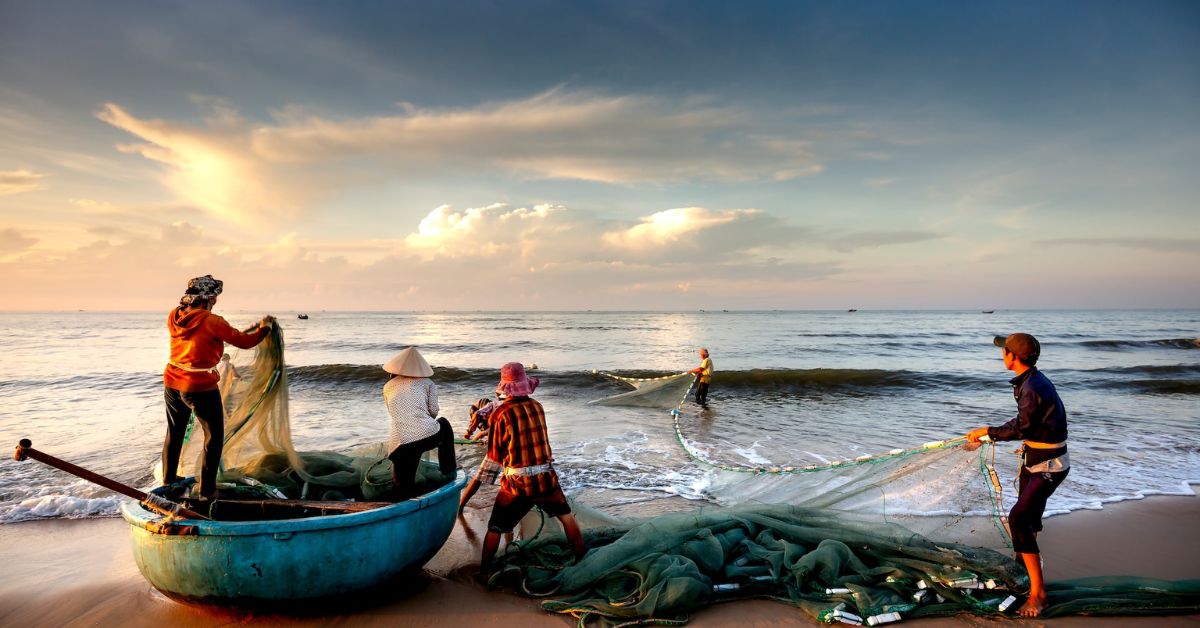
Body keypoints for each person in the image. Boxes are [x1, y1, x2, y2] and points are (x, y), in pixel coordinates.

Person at [965, 333, 1069, 618]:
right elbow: (1028, 424)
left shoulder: (1033, 386)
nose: (1002, 355)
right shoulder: (1030, 380)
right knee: (1029, 519)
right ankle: (1023, 577)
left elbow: (1022, 426)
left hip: (1049, 465)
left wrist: (989, 432)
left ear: (1012, 357)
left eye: (1005, 350)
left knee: (1019, 518)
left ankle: (1039, 594)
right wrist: (989, 434)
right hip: (1033, 460)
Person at [162, 274, 274, 500]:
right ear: (208, 298)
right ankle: (207, 491)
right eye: (214, 298)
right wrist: (264, 330)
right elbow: (244, 342)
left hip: (172, 380)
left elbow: (218, 336)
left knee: (174, 431)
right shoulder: (213, 321)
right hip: (199, 386)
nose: (215, 302)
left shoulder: (175, 315)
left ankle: (169, 482)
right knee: (213, 436)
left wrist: (247, 330)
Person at [480, 362, 585, 571]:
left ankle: (484, 572)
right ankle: (583, 560)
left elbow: (494, 456)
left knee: (495, 527)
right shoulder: (537, 406)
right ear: (525, 385)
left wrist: (483, 482)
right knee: (566, 517)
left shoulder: (500, 414)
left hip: (516, 484)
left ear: (504, 388)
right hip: (545, 478)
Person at [383, 347, 456, 498]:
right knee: (444, 424)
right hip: (425, 436)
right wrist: (422, 419)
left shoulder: (387, 386)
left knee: (403, 487)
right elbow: (434, 412)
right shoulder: (427, 383)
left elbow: (394, 413)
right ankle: (448, 471)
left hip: (398, 445)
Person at [458, 397, 502, 515]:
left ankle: (460, 506)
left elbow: (477, 415)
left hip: (499, 449)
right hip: (510, 445)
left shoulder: (495, 405)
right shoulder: (528, 404)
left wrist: (469, 434)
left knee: (479, 477)